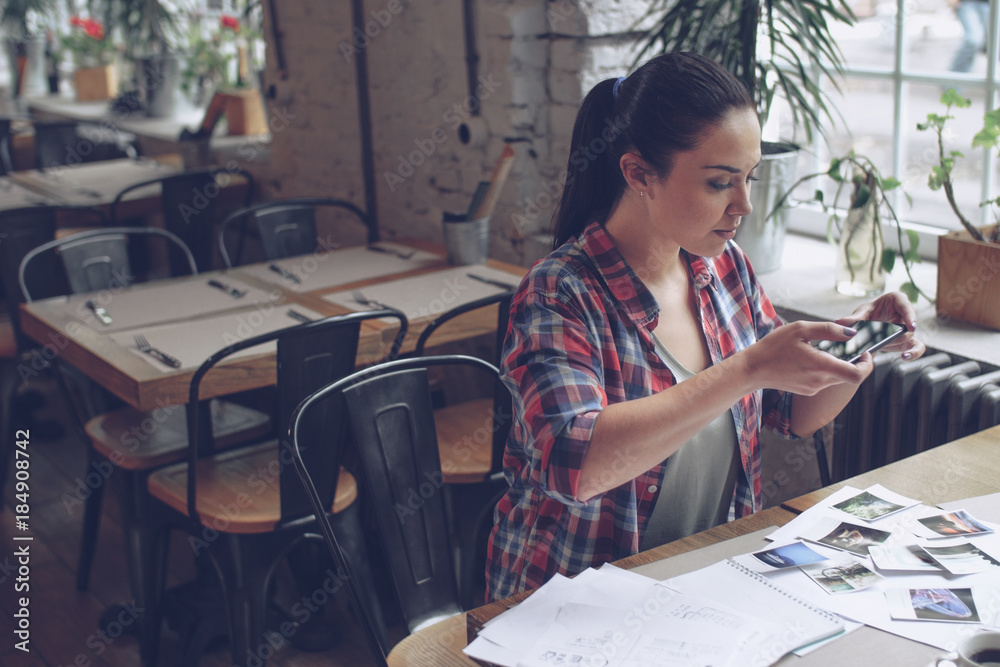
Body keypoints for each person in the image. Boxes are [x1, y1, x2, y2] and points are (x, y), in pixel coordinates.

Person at [484, 52, 924, 600]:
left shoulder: (723, 267)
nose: (744, 205)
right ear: (639, 174)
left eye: (749, 178)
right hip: (569, 606)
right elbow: (577, 466)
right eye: (720, 183)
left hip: (699, 587)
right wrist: (747, 370)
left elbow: (793, 413)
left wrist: (855, 351)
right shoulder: (560, 292)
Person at [949, 0, 990, 74]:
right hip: (967, 3)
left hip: (991, 5)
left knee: (994, 44)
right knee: (973, 40)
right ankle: (953, 80)